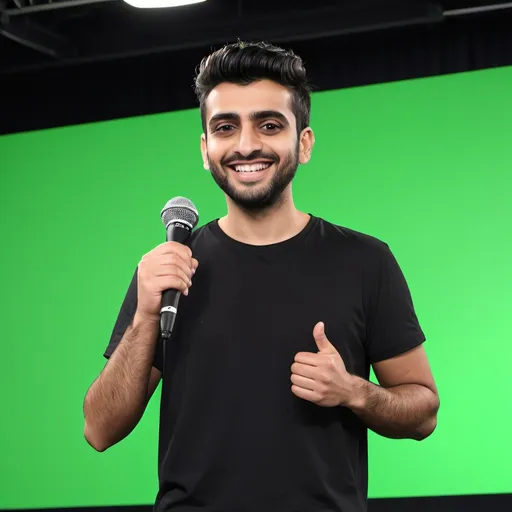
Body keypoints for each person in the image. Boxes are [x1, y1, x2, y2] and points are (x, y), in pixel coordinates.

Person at [83, 41, 440, 512]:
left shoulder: (365, 261)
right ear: (206, 149)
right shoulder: (170, 268)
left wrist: (355, 391)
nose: (246, 145)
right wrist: (145, 316)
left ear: (304, 143)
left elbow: (423, 412)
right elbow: (99, 429)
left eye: (269, 125)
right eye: (225, 127)